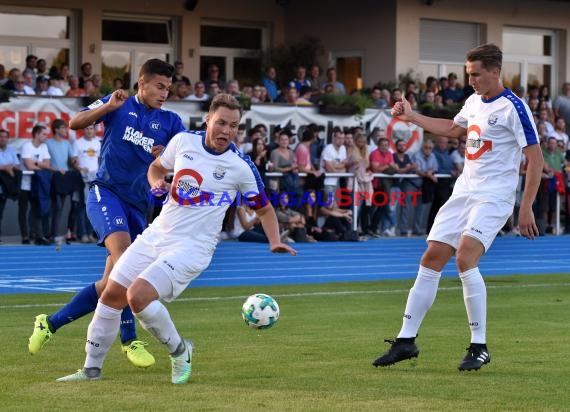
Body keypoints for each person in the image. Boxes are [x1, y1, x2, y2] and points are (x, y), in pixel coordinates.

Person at [56, 93, 296, 383]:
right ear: (208, 119)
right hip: (158, 233)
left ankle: (180, 350)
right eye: (221, 123)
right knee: (111, 295)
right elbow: (157, 166)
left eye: (234, 126)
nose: (227, 131)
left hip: (193, 247)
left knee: (137, 296)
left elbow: (265, 208)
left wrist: (274, 240)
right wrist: (157, 182)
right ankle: (91, 370)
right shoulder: (184, 141)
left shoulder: (241, 166)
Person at [372, 43, 543, 371]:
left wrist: (526, 207)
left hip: (494, 197)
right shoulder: (474, 101)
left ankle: (479, 347)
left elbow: (533, 157)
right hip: (464, 192)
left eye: (477, 74)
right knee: (432, 257)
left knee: (465, 257)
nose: (472, 81)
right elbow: (452, 129)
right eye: (469, 75)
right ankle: (406, 341)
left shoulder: (514, 107)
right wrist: (411, 116)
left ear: (495, 71)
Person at [28, 59, 186, 369]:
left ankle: (50, 323)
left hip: (140, 206)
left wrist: (167, 157)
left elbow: (186, 154)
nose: (165, 93)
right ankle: (130, 340)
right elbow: (76, 123)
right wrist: (107, 108)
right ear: (141, 84)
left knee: (111, 284)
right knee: (126, 263)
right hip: (106, 193)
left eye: (168, 88)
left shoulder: (171, 121)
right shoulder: (120, 103)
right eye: (159, 86)